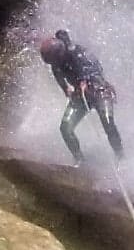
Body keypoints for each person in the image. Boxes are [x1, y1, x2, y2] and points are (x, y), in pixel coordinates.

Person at [39, 29, 124, 164]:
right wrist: (65, 88)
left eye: (54, 60)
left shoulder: (79, 52)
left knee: (108, 123)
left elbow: (97, 67)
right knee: (65, 128)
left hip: (99, 90)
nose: (54, 64)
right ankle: (79, 160)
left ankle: (120, 157)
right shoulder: (56, 62)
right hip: (80, 95)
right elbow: (57, 74)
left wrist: (86, 79)